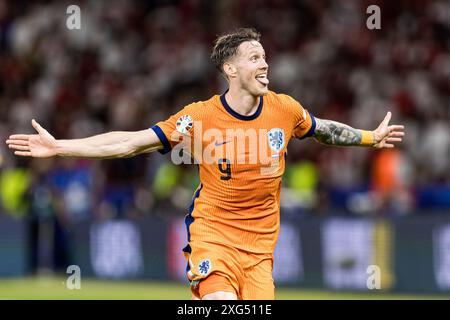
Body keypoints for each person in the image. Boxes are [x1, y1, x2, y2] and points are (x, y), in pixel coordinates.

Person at [6, 28, 405, 300]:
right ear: (230, 69)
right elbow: (130, 142)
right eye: (253, 58)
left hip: (260, 253)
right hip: (213, 236)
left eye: (264, 56)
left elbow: (322, 129)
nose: (264, 64)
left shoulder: (285, 109)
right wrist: (61, 147)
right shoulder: (199, 117)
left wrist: (370, 137)